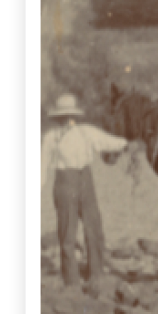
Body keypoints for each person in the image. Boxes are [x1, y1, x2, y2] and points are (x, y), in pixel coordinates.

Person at [40, 92, 128, 286]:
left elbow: (109, 142)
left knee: (93, 225)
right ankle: (71, 281)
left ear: (74, 116)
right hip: (64, 181)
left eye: (70, 116)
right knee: (67, 232)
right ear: (59, 118)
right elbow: (42, 165)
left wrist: (126, 143)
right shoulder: (51, 137)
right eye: (64, 117)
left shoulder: (86, 131)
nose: (68, 120)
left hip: (85, 179)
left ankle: (96, 273)